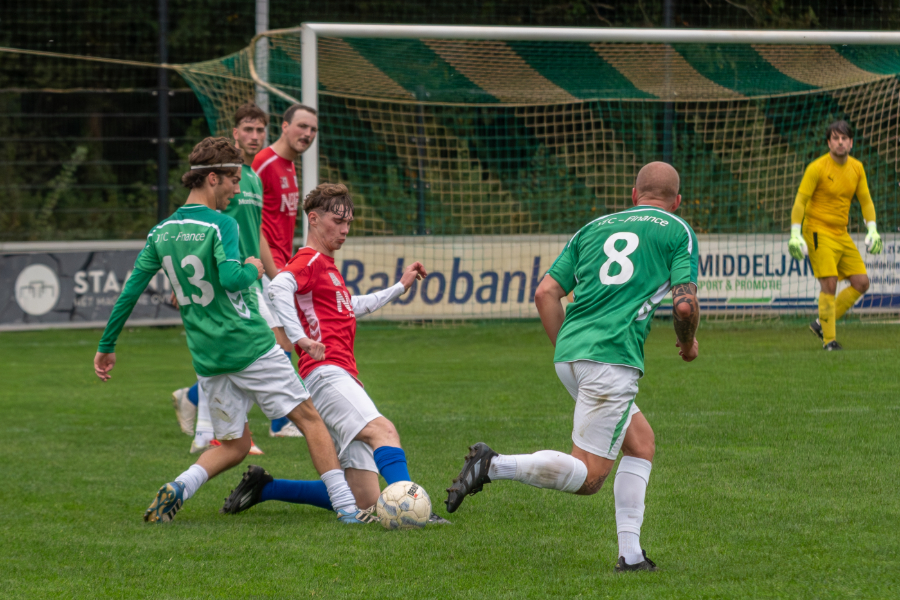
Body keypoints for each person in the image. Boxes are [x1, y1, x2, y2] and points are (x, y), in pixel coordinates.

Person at [93, 138, 372, 525]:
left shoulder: (160, 233)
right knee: (310, 420)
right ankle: (346, 507)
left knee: (235, 444)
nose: (237, 191)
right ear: (212, 178)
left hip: (207, 355)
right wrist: (254, 269)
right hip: (248, 344)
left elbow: (130, 291)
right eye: (233, 181)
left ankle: (179, 487)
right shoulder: (220, 224)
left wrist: (106, 345)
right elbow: (232, 279)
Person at [444, 162, 700, 572]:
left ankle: (631, 556)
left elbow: (546, 292)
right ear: (678, 201)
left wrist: (569, 349)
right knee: (590, 477)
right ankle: (492, 465)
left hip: (572, 355)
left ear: (633, 195)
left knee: (642, 444)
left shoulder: (594, 227)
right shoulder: (676, 230)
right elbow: (685, 304)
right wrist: (687, 344)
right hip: (610, 360)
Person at [218, 183, 449, 525]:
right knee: (384, 431)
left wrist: (400, 287)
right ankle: (416, 511)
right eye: (337, 221)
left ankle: (264, 487)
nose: (344, 229)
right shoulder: (309, 259)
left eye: (349, 223)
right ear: (313, 219)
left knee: (366, 501)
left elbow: (350, 306)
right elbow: (279, 287)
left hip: (336, 374)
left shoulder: (327, 266)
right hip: (326, 372)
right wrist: (300, 338)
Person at [171, 103, 302, 450]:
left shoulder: (254, 179)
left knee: (268, 344)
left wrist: (277, 278)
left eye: (260, 130)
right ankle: (254, 427)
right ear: (235, 133)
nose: (255, 136)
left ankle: (204, 413)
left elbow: (257, 232)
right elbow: (197, 229)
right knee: (257, 346)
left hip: (252, 276)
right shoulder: (217, 179)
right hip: (228, 277)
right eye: (248, 129)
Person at [250, 103, 319, 435]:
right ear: (285, 126)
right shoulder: (264, 163)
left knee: (273, 343)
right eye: (302, 126)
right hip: (264, 266)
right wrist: (274, 269)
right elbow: (252, 219)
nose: (307, 134)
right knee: (283, 342)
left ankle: (193, 398)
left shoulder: (290, 167)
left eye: (313, 130)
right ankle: (281, 420)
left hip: (280, 263)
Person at [787, 120, 883, 350]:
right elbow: (800, 200)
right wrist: (795, 233)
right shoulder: (817, 168)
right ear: (829, 142)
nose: (840, 142)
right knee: (829, 283)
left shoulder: (857, 168)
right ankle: (829, 341)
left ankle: (822, 323)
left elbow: (866, 200)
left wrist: (872, 228)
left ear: (851, 143)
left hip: (841, 232)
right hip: (817, 230)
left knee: (861, 282)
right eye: (835, 138)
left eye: (844, 138)